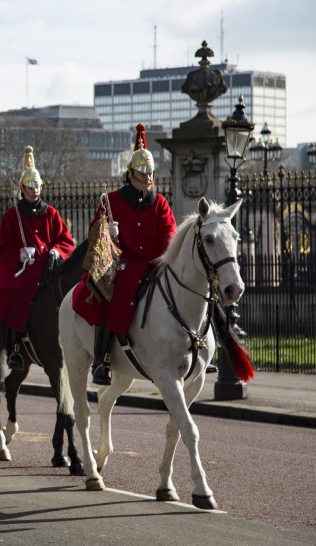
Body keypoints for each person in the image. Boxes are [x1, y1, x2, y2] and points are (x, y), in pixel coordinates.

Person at [71, 123, 180, 385]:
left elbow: (169, 235)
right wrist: (108, 232)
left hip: (156, 262)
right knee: (113, 294)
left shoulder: (160, 203)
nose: (146, 177)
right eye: (142, 172)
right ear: (130, 174)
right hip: (123, 263)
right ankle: (102, 359)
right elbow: (95, 238)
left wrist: (165, 257)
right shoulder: (111, 200)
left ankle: (198, 347)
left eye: (149, 172)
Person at [0, 145, 76, 371]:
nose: (35, 190)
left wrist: (57, 251)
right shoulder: (12, 215)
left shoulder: (51, 213)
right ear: (23, 188)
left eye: (37, 185)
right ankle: (14, 347)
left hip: (48, 266)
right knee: (15, 293)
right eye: (31, 186)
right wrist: (18, 254)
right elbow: (1, 248)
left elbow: (66, 240)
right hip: (22, 269)